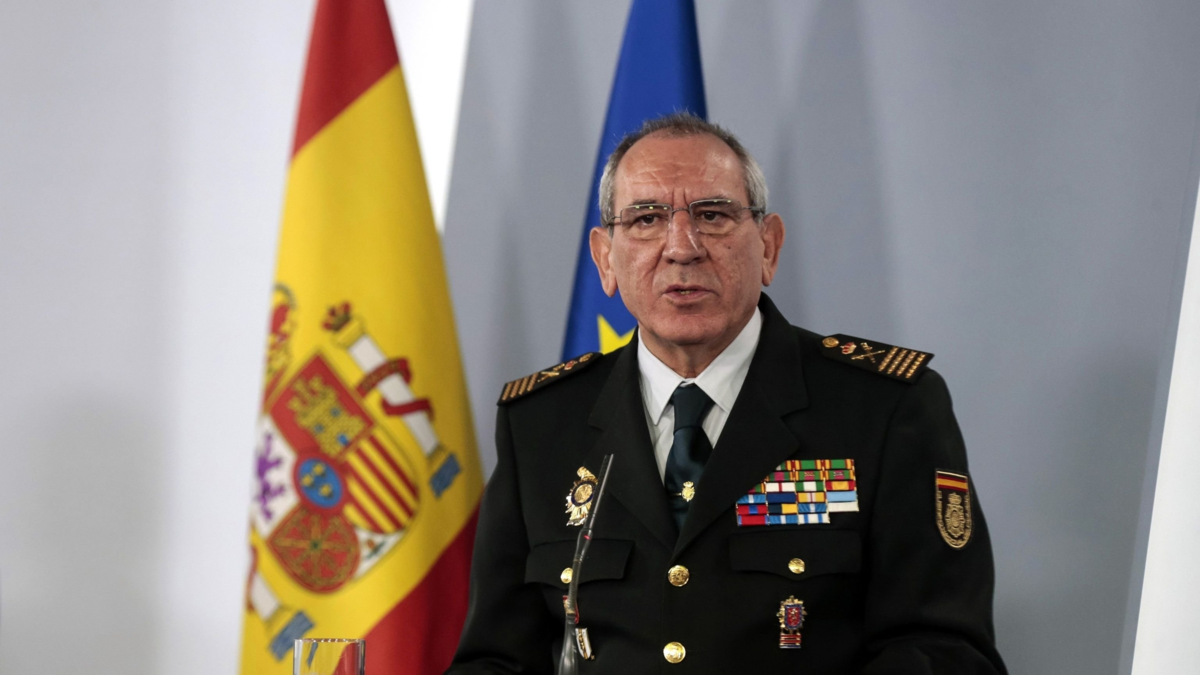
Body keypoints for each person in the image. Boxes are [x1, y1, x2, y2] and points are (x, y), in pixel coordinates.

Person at [446, 113, 1007, 673]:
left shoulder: (885, 409)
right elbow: (496, 661)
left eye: (712, 215)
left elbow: (944, 653)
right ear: (605, 259)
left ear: (768, 246)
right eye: (646, 219)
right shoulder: (541, 423)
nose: (681, 247)